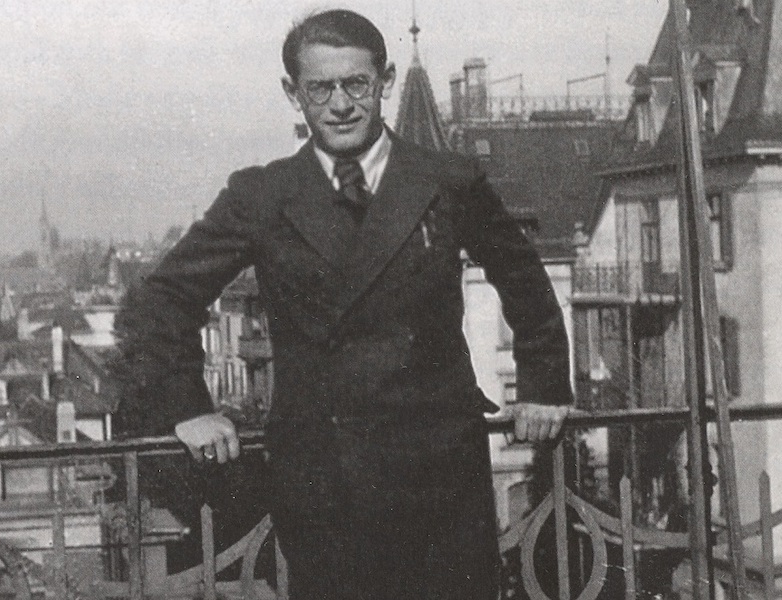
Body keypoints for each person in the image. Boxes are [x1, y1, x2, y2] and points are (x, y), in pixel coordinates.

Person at [114, 8, 571, 600]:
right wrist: (188, 404)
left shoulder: (446, 180)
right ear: (293, 95)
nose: (341, 105)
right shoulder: (263, 195)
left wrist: (544, 385)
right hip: (324, 485)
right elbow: (162, 301)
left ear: (384, 83)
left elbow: (526, 280)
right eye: (320, 88)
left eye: (356, 84)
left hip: (440, 479)